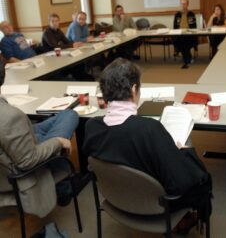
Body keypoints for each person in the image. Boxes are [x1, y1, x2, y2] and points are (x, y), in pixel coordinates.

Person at [83, 58, 212, 233]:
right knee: (200, 175)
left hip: (116, 198)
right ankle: (187, 219)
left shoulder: (92, 126)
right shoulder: (149, 129)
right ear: (134, 89)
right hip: (156, 204)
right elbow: (181, 182)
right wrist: (182, 152)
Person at [0, 60, 79, 216]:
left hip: (11, 145)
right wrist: (58, 142)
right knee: (70, 115)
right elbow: (27, 161)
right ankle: (63, 188)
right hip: (22, 167)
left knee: (63, 115)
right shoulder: (9, 116)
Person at [42, 13, 94, 81]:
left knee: (78, 62)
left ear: (59, 21)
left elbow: (66, 41)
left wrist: (74, 44)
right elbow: (55, 46)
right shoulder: (47, 32)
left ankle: (82, 77)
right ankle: (78, 78)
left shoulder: (58, 30)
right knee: (74, 65)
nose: (55, 23)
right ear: (49, 22)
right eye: (53, 21)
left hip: (58, 55)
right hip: (49, 59)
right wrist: (72, 45)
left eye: (57, 21)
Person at [173, 0, 197, 69]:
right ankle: (188, 58)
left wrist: (190, 31)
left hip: (189, 33)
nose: (183, 5)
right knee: (180, 41)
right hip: (179, 33)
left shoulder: (191, 14)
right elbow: (174, 26)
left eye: (184, 4)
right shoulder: (177, 14)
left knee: (184, 41)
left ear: (187, 5)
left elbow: (194, 26)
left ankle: (186, 61)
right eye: (182, 4)